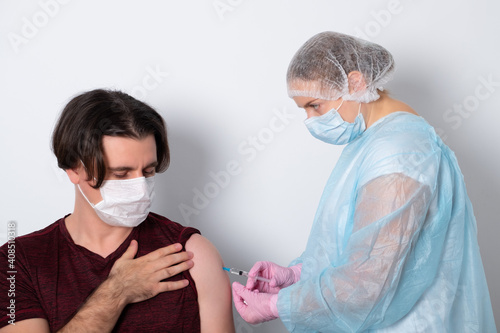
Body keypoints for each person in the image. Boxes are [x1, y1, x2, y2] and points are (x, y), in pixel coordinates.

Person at [231, 31, 497, 332]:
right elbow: (362, 246)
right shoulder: (374, 142)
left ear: (355, 83)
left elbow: (366, 281)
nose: (309, 119)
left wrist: (276, 304)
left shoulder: (399, 150)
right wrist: (296, 274)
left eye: (314, 105)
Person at [0, 89, 235, 332]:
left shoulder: (191, 254)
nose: (141, 189)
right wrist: (118, 290)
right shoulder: (16, 262)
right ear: (73, 169)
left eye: (148, 172)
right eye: (120, 174)